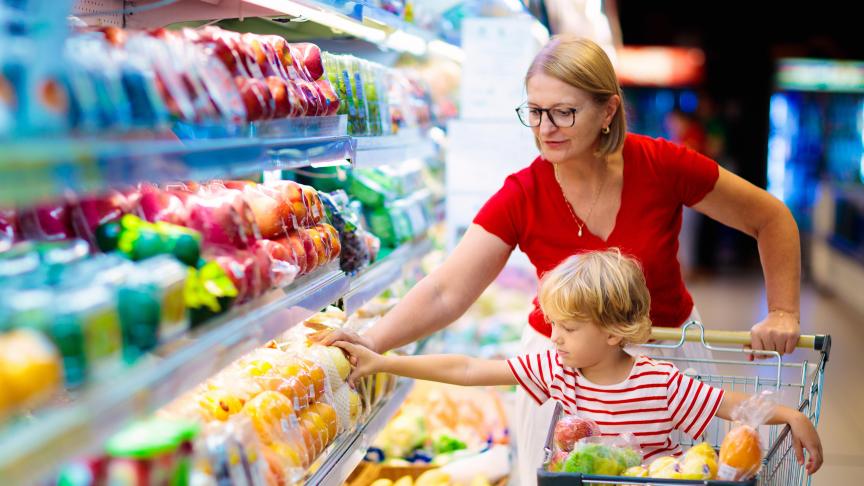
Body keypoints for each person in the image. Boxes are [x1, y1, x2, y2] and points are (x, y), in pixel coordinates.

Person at [320, 36, 802, 484]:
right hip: (564, 372)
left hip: (667, 363)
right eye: (534, 112)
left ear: (608, 109)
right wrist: (368, 341)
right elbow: (447, 290)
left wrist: (782, 310)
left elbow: (771, 218)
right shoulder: (523, 194)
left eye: (564, 113)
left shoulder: (661, 165)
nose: (545, 129)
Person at [334, 251, 822, 477]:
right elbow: (468, 369)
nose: (554, 337)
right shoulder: (556, 368)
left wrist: (793, 415)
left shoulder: (660, 383)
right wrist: (385, 362)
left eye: (568, 328)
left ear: (612, 332)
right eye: (554, 325)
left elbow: (731, 406)